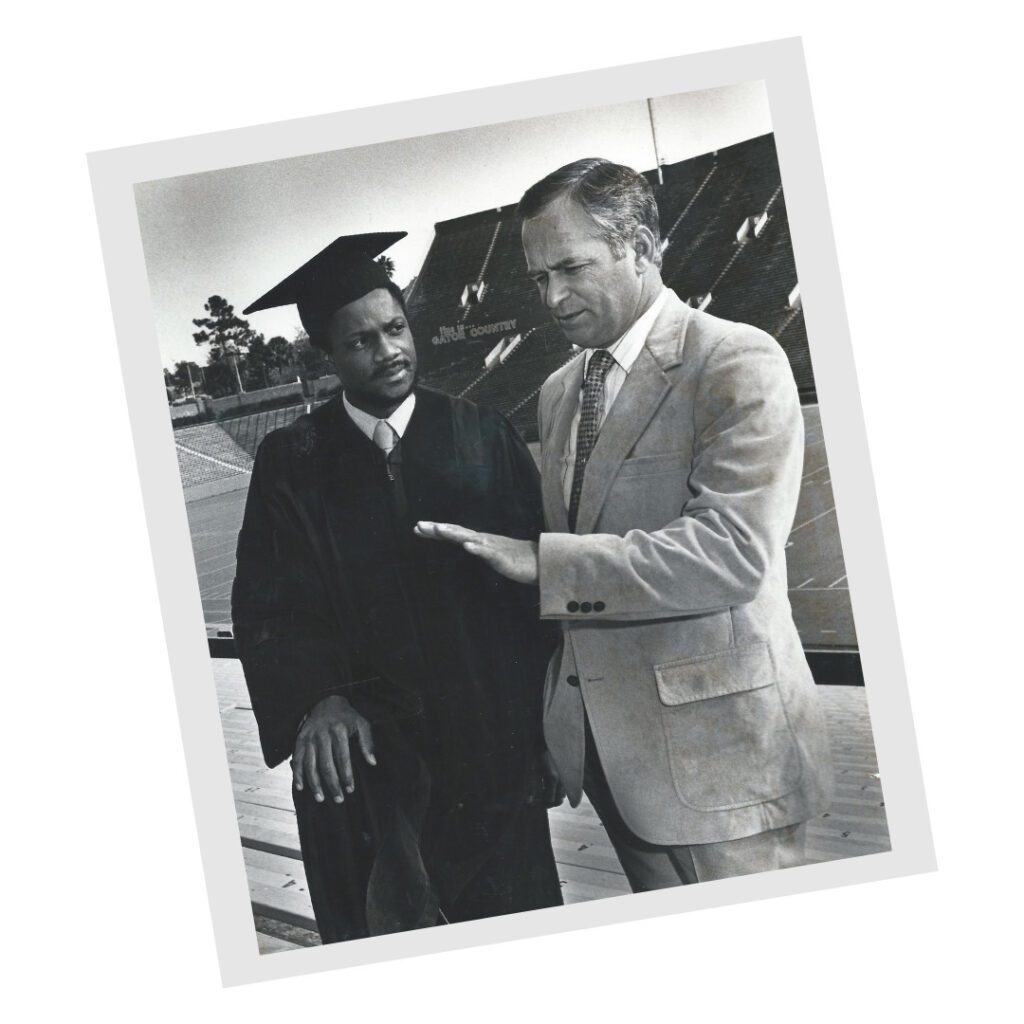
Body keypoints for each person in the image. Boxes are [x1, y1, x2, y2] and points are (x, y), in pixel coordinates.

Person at [417, 159, 833, 890]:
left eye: (571, 267)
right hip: (614, 766)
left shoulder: (735, 359)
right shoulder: (557, 392)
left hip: (725, 766)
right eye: (538, 277)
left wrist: (544, 563)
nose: (552, 296)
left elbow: (731, 555)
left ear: (639, 246)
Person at [232, 232, 562, 942]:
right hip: (366, 762)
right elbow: (269, 603)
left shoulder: (481, 434)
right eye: (359, 342)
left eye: (394, 328)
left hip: (491, 750)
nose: (387, 351)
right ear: (326, 355)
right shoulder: (293, 461)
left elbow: (537, 589)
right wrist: (314, 699)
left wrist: (549, 732)